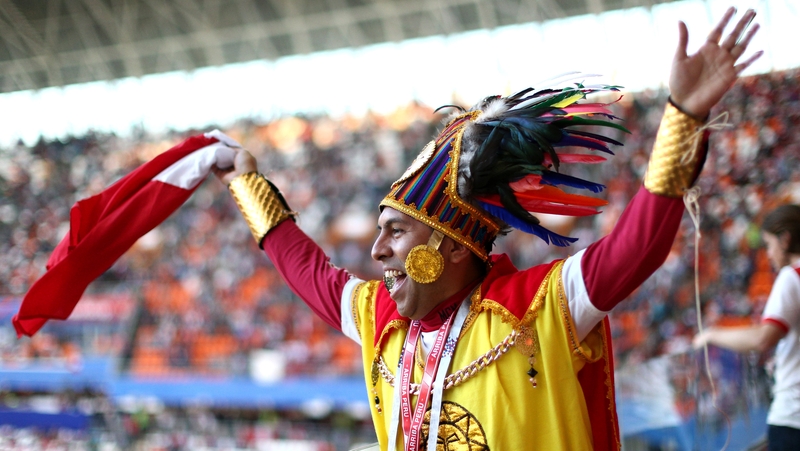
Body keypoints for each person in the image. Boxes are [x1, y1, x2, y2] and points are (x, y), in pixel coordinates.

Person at [214, 7, 761, 451]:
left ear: (447, 247)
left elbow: (636, 248)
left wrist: (682, 118)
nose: (377, 251)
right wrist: (248, 186)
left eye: (396, 232)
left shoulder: (539, 307)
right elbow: (308, 270)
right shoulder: (382, 318)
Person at [693, 205, 800, 451]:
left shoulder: (790, 276)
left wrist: (711, 334)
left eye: (769, 244)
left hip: (793, 416)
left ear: (785, 240)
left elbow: (764, 338)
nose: (768, 254)